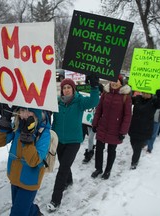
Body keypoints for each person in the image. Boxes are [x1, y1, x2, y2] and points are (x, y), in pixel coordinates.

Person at [47, 76, 99, 212]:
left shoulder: (79, 101)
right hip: (59, 140)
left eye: (69, 87)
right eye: (64, 88)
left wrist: (94, 87)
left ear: (73, 89)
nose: (66, 90)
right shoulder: (57, 102)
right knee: (64, 163)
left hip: (74, 141)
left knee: (63, 169)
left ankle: (55, 200)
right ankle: (69, 181)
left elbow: (94, 101)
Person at [0, 105, 50, 216]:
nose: (24, 115)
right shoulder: (17, 127)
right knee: (23, 208)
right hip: (14, 177)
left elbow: (34, 160)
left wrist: (27, 137)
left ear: (36, 114)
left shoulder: (43, 133)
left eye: (29, 112)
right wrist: (4, 122)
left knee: (17, 213)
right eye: (22, 110)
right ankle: (34, 212)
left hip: (29, 181)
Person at [91, 75, 132, 179]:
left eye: (117, 81)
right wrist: (95, 123)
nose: (114, 83)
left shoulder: (125, 96)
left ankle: (107, 171)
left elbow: (127, 116)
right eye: (113, 81)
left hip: (116, 129)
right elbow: (99, 109)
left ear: (121, 83)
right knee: (99, 149)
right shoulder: (106, 93)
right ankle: (98, 169)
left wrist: (123, 132)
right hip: (103, 126)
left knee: (111, 150)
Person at [128, 89, 160, 169]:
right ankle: (139, 149)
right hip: (134, 126)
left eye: (147, 93)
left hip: (145, 128)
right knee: (133, 143)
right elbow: (128, 99)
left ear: (151, 94)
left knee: (137, 147)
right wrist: (129, 89)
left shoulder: (154, 101)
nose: (145, 94)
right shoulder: (137, 98)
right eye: (144, 93)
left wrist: (159, 92)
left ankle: (134, 162)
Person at [82, 82, 104, 164]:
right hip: (89, 121)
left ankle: (90, 152)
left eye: (98, 91)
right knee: (90, 138)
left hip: (99, 122)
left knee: (91, 138)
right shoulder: (90, 97)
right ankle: (90, 150)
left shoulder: (103, 99)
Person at [145, 79, 160, 153]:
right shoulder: (151, 89)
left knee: (153, 132)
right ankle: (145, 143)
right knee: (146, 130)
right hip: (149, 113)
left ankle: (150, 147)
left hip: (158, 114)